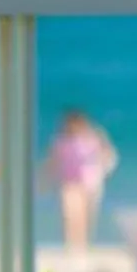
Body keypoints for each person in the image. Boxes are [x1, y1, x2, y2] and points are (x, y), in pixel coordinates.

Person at [47, 108, 120, 259]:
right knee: (71, 212)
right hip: (69, 181)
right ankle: (72, 244)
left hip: (91, 181)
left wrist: (105, 170)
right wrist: (51, 178)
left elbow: (109, 154)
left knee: (88, 214)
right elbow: (54, 160)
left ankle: (84, 244)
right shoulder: (61, 140)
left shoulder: (94, 136)